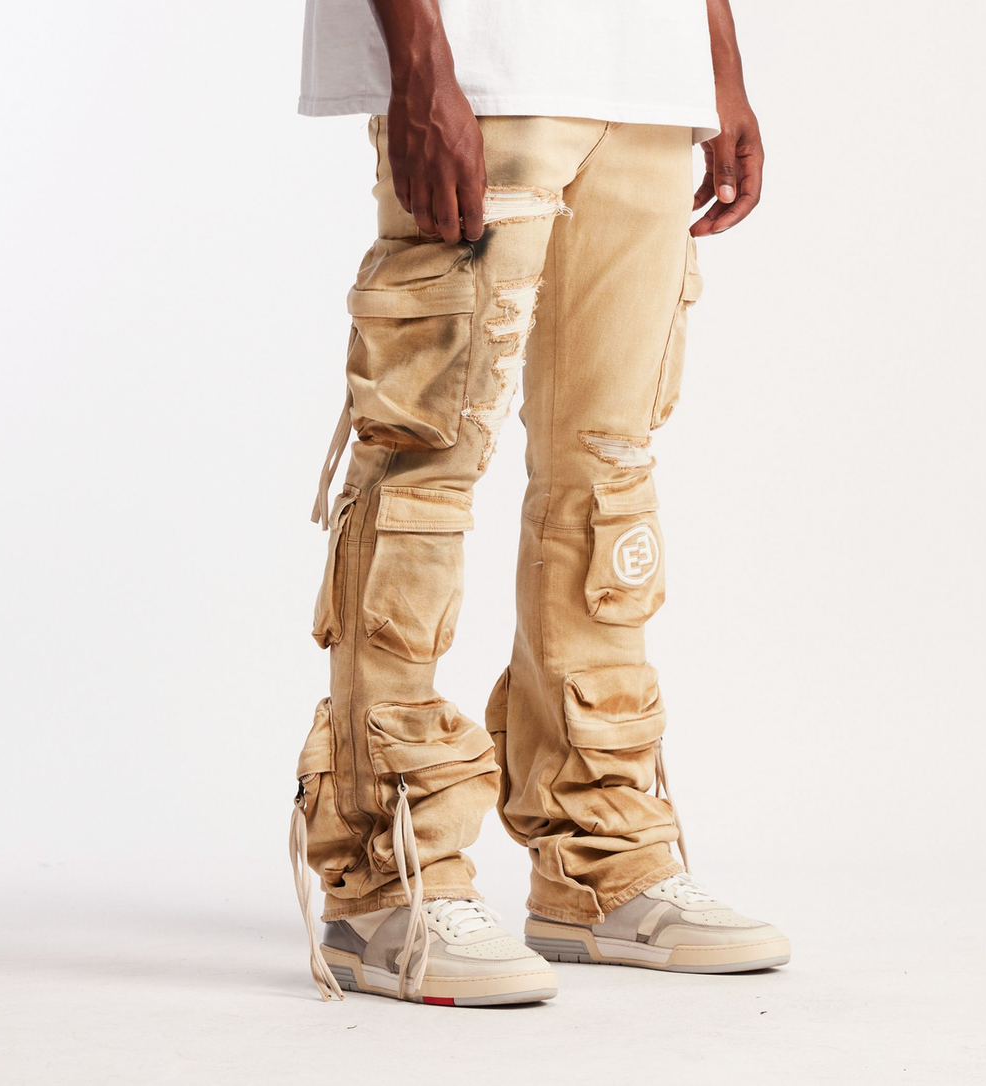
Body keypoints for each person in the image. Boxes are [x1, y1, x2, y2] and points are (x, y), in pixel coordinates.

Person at [289, 0, 790, 1006]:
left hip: (647, 76)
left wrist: (716, 61)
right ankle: (387, 879)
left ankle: (600, 864)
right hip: (484, 65)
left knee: (608, 477)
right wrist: (420, 64)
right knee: (424, 465)